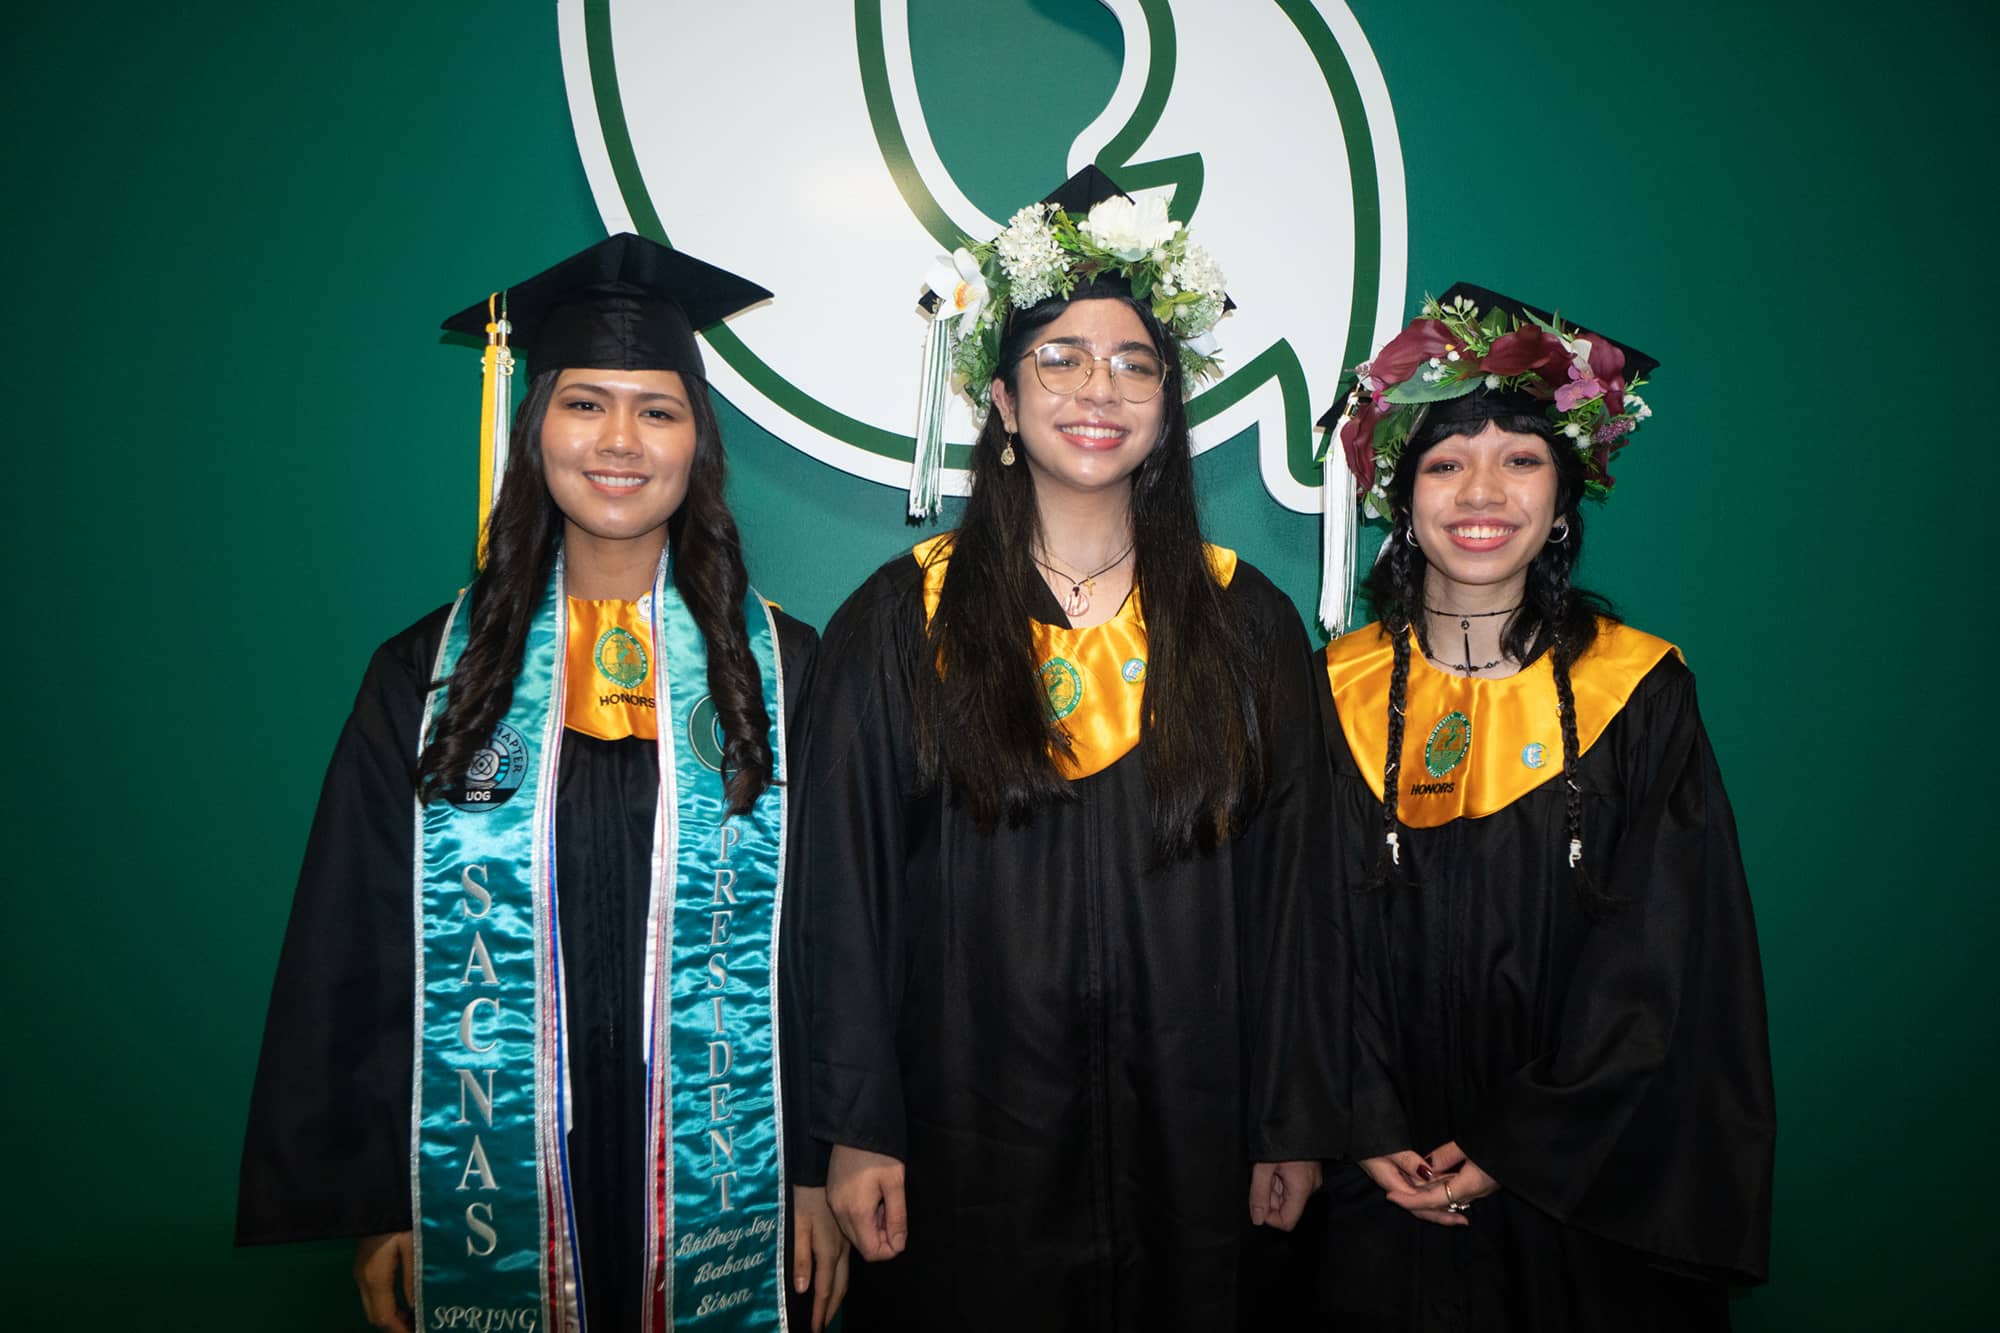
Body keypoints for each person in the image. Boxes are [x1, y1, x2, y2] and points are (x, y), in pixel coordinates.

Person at [236, 234, 848, 1332]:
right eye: (584, 404)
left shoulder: (784, 674)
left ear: (697, 442)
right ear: (534, 430)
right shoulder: (428, 677)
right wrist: (387, 1194)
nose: (619, 441)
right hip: (493, 1170)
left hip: (730, 1171)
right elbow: (356, 935)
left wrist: (813, 1163)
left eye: (657, 411)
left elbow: (832, 939)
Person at [788, 168, 1346, 1331]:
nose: (1100, 388)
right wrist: (852, 1127)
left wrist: (1290, 1117)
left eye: (1135, 364)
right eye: (1060, 358)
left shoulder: (1245, 624)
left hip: (1196, 1138)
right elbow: (841, 895)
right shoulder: (899, 622)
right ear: (998, 397)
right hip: (964, 1141)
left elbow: (1296, 891)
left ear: (1167, 405)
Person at [1311, 284, 1775, 1329]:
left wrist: (1524, 1140)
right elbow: (1296, 935)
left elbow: (1662, 951)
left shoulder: (1638, 694)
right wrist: (1357, 1113)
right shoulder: (1327, 694)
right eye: (1444, 462)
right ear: (1399, 498)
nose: (1481, 490)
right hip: (1372, 1181)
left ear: (1564, 500)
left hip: (1577, 1182)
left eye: (1520, 459)